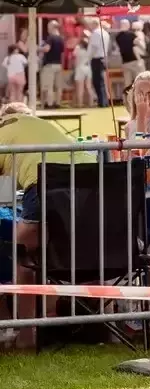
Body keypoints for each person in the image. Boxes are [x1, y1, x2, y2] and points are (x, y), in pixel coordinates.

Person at [0, 108, 95, 349]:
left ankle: (25, 336)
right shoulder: (39, 125)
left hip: (48, 183)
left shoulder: (4, 132)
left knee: (21, 251)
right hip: (94, 178)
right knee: (85, 247)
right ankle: (105, 327)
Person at [116, 20, 145, 100]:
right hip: (135, 61)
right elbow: (140, 46)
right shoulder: (132, 35)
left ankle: (127, 100)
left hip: (125, 62)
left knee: (127, 83)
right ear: (128, 26)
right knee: (139, 81)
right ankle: (140, 98)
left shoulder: (117, 37)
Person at [39, 20, 65, 109]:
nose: (48, 29)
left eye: (48, 27)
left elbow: (47, 49)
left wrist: (38, 49)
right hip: (59, 64)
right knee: (58, 86)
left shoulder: (50, 38)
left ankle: (49, 104)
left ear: (52, 27)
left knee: (49, 86)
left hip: (49, 65)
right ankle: (58, 103)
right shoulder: (61, 38)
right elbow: (62, 53)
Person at [87, 18, 112, 107]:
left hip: (96, 58)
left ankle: (101, 101)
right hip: (103, 58)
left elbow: (94, 47)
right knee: (102, 81)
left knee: (97, 81)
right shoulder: (105, 33)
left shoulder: (95, 33)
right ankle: (104, 100)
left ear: (94, 24)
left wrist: (88, 58)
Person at [73, 37, 94, 108]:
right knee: (88, 87)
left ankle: (80, 104)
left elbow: (74, 56)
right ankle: (91, 103)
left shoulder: (78, 51)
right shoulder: (89, 52)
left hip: (80, 68)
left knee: (80, 88)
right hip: (88, 68)